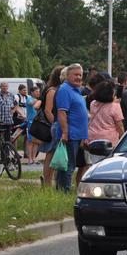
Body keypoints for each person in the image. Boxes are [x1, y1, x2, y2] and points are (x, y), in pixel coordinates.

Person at [77, 80, 125, 184]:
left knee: (91, 165)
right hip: (108, 141)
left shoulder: (93, 103)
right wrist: (124, 140)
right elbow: (119, 126)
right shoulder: (115, 107)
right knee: (107, 166)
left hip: (92, 138)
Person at [55, 64, 88, 192]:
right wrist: (65, 132)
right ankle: (64, 191)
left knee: (70, 165)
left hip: (78, 134)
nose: (79, 77)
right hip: (70, 134)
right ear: (68, 76)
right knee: (67, 165)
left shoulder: (76, 90)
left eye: (80, 75)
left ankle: (62, 190)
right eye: (76, 75)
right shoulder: (64, 90)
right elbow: (62, 112)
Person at [38, 65, 64, 187]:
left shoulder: (57, 89)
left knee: (53, 154)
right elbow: (48, 111)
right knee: (50, 153)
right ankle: (47, 181)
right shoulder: (52, 91)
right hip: (51, 126)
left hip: (54, 126)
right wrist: (57, 124)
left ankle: (49, 180)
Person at [25, 86, 41, 164]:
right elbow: (31, 104)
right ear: (32, 92)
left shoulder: (39, 100)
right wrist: (39, 100)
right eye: (36, 91)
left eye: (39, 92)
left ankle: (34, 158)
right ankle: (29, 159)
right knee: (30, 141)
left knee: (36, 141)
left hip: (38, 122)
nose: (38, 93)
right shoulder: (29, 98)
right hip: (31, 121)